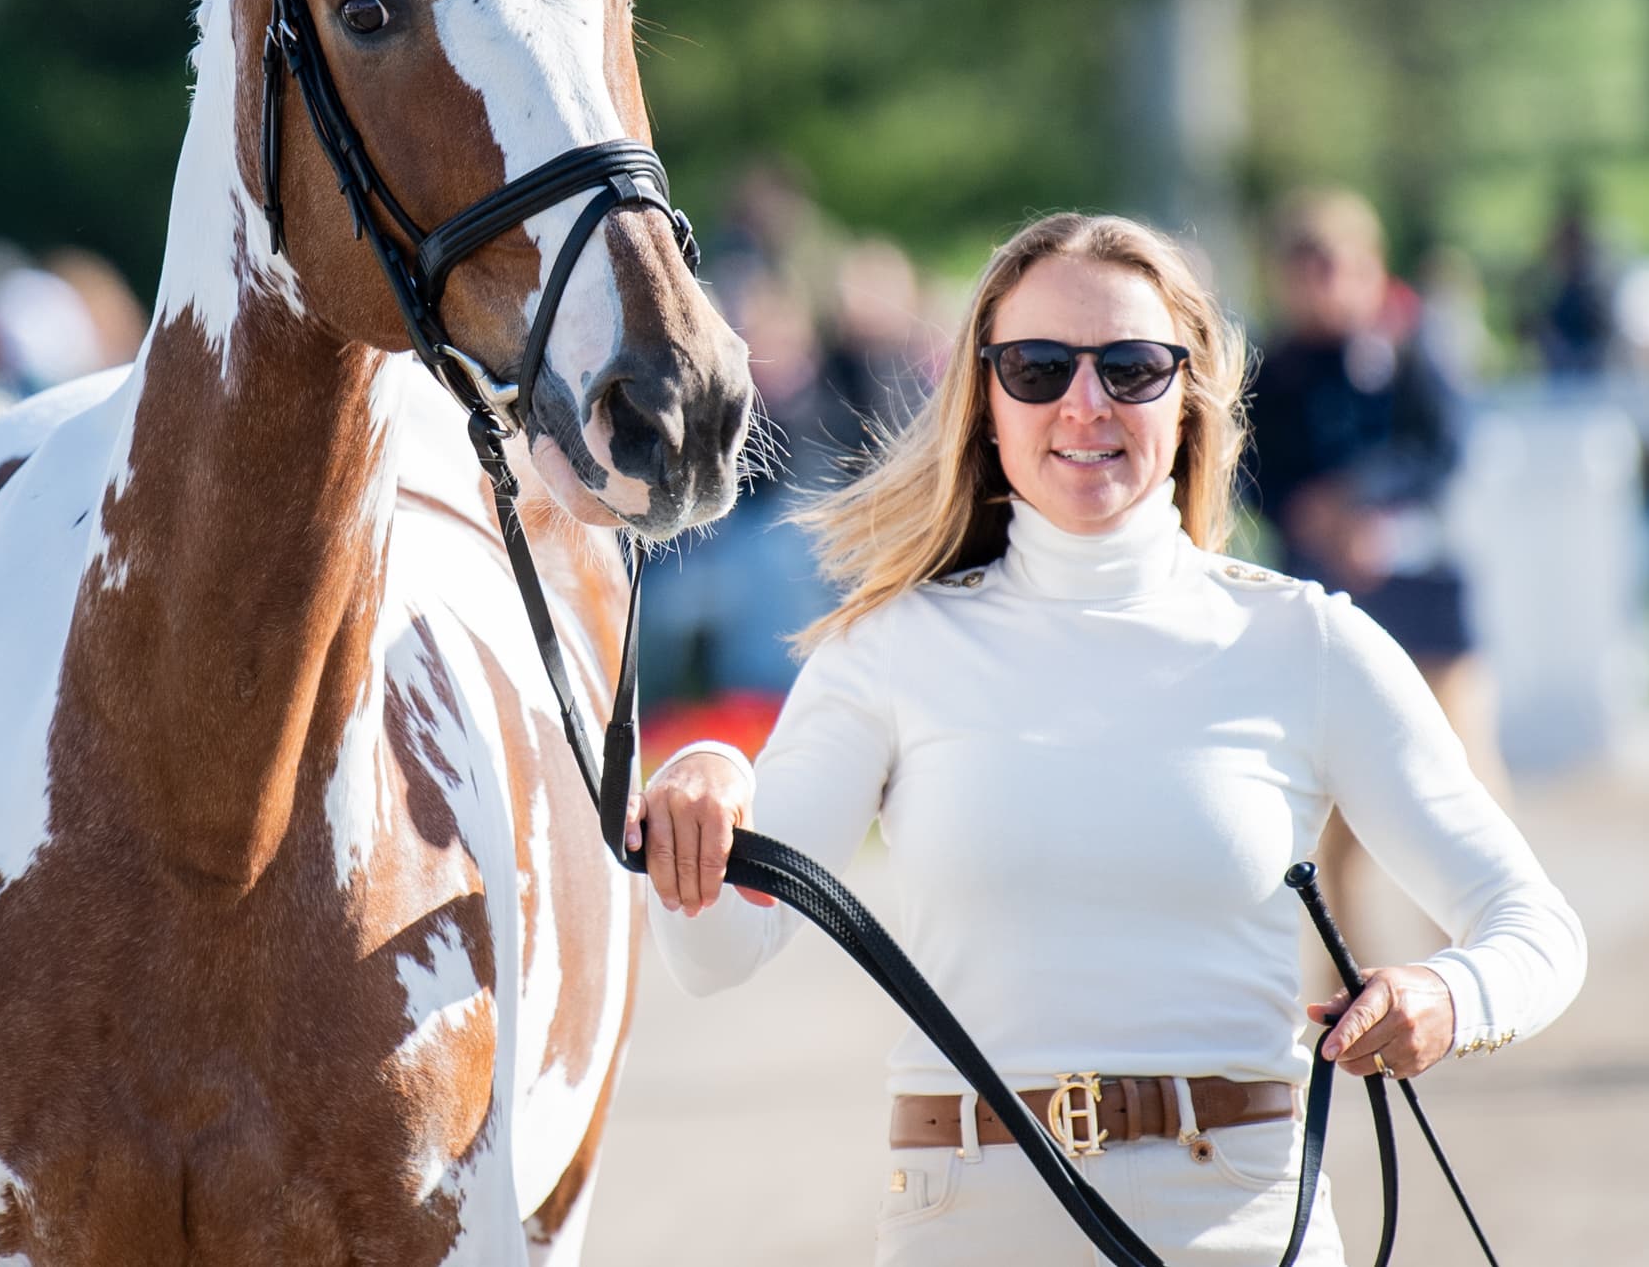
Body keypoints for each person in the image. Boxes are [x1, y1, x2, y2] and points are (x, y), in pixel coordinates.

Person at [627, 212, 1584, 1265]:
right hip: (968, 1227)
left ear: (1190, 395)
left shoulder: (1306, 642)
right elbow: (716, 955)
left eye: (1131, 367)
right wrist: (700, 790)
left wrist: (1449, 993)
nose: (1084, 402)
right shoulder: (885, 650)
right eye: (1036, 367)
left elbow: (1534, 926)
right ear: (984, 399)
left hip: (1246, 1227)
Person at [1245, 190, 1507, 944]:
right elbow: (1250, 472)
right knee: (1337, 807)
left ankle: (1475, 950)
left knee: (1462, 780)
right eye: (1308, 269)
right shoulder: (1272, 372)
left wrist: (1364, 500)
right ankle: (1347, 970)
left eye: (1340, 266)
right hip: (1327, 608)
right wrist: (1311, 512)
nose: (1325, 285)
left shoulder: (1411, 349)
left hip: (1425, 595)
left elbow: (1447, 450)